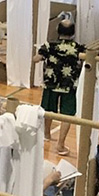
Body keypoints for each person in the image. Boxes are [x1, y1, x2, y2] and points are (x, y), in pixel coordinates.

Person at [36, 18, 84, 155]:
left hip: (51, 83)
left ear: (58, 30)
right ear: (73, 33)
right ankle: (60, 144)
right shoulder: (78, 48)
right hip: (69, 85)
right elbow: (87, 59)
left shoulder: (49, 45)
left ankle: (46, 134)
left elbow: (36, 59)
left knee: (48, 109)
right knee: (67, 114)